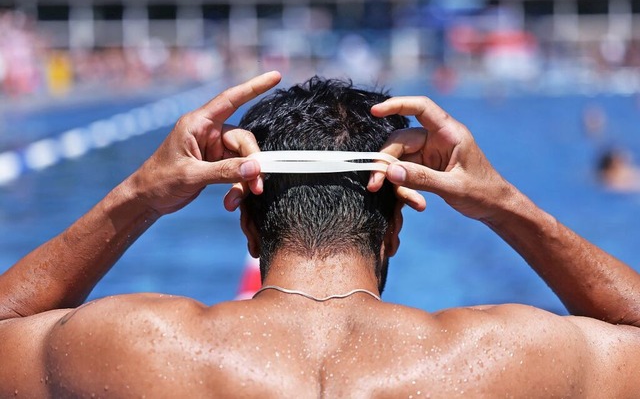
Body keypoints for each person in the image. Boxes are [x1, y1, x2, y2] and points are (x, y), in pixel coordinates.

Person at [1, 71, 639, 397]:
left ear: (248, 222)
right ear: (394, 226)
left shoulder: (138, 346)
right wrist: (504, 206)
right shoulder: (497, 359)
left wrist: (137, 195)